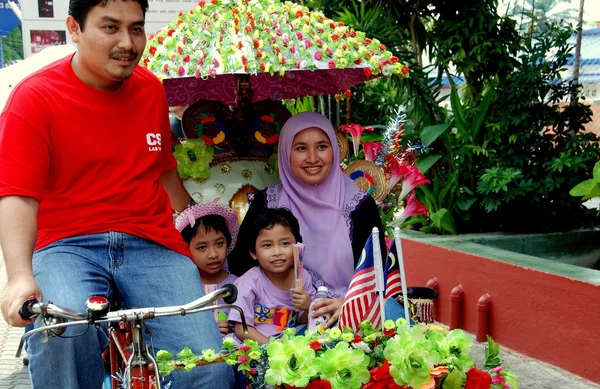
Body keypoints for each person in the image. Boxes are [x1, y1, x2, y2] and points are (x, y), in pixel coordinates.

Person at [0, 0, 233, 388]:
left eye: (136, 28)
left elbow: (162, 170)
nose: (127, 42)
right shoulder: (33, 98)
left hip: (151, 243)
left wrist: (200, 217)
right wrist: (20, 277)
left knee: (207, 368)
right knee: (61, 331)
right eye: (110, 27)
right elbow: (17, 195)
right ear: (74, 28)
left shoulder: (150, 90)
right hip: (66, 246)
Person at [229, 112, 386, 328]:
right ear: (285, 153)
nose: (312, 158)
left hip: (350, 318)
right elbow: (241, 265)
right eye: (301, 148)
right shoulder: (268, 203)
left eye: (322, 146)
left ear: (333, 149)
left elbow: (378, 272)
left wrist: (348, 304)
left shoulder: (359, 205)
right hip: (282, 326)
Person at [228, 208, 316, 345]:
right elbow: (242, 330)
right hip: (254, 347)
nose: (277, 252)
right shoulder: (248, 283)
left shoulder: (302, 276)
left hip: (288, 344)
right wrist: (274, 349)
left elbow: (304, 321)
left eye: (285, 244)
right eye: (267, 245)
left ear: (297, 247)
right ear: (253, 252)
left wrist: (308, 306)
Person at [176, 202, 239, 336]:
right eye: (202, 247)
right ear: (186, 249)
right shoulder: (183, 288)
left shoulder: (239, 284)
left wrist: (233, 328)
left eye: (219, 244)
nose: (213, 254)